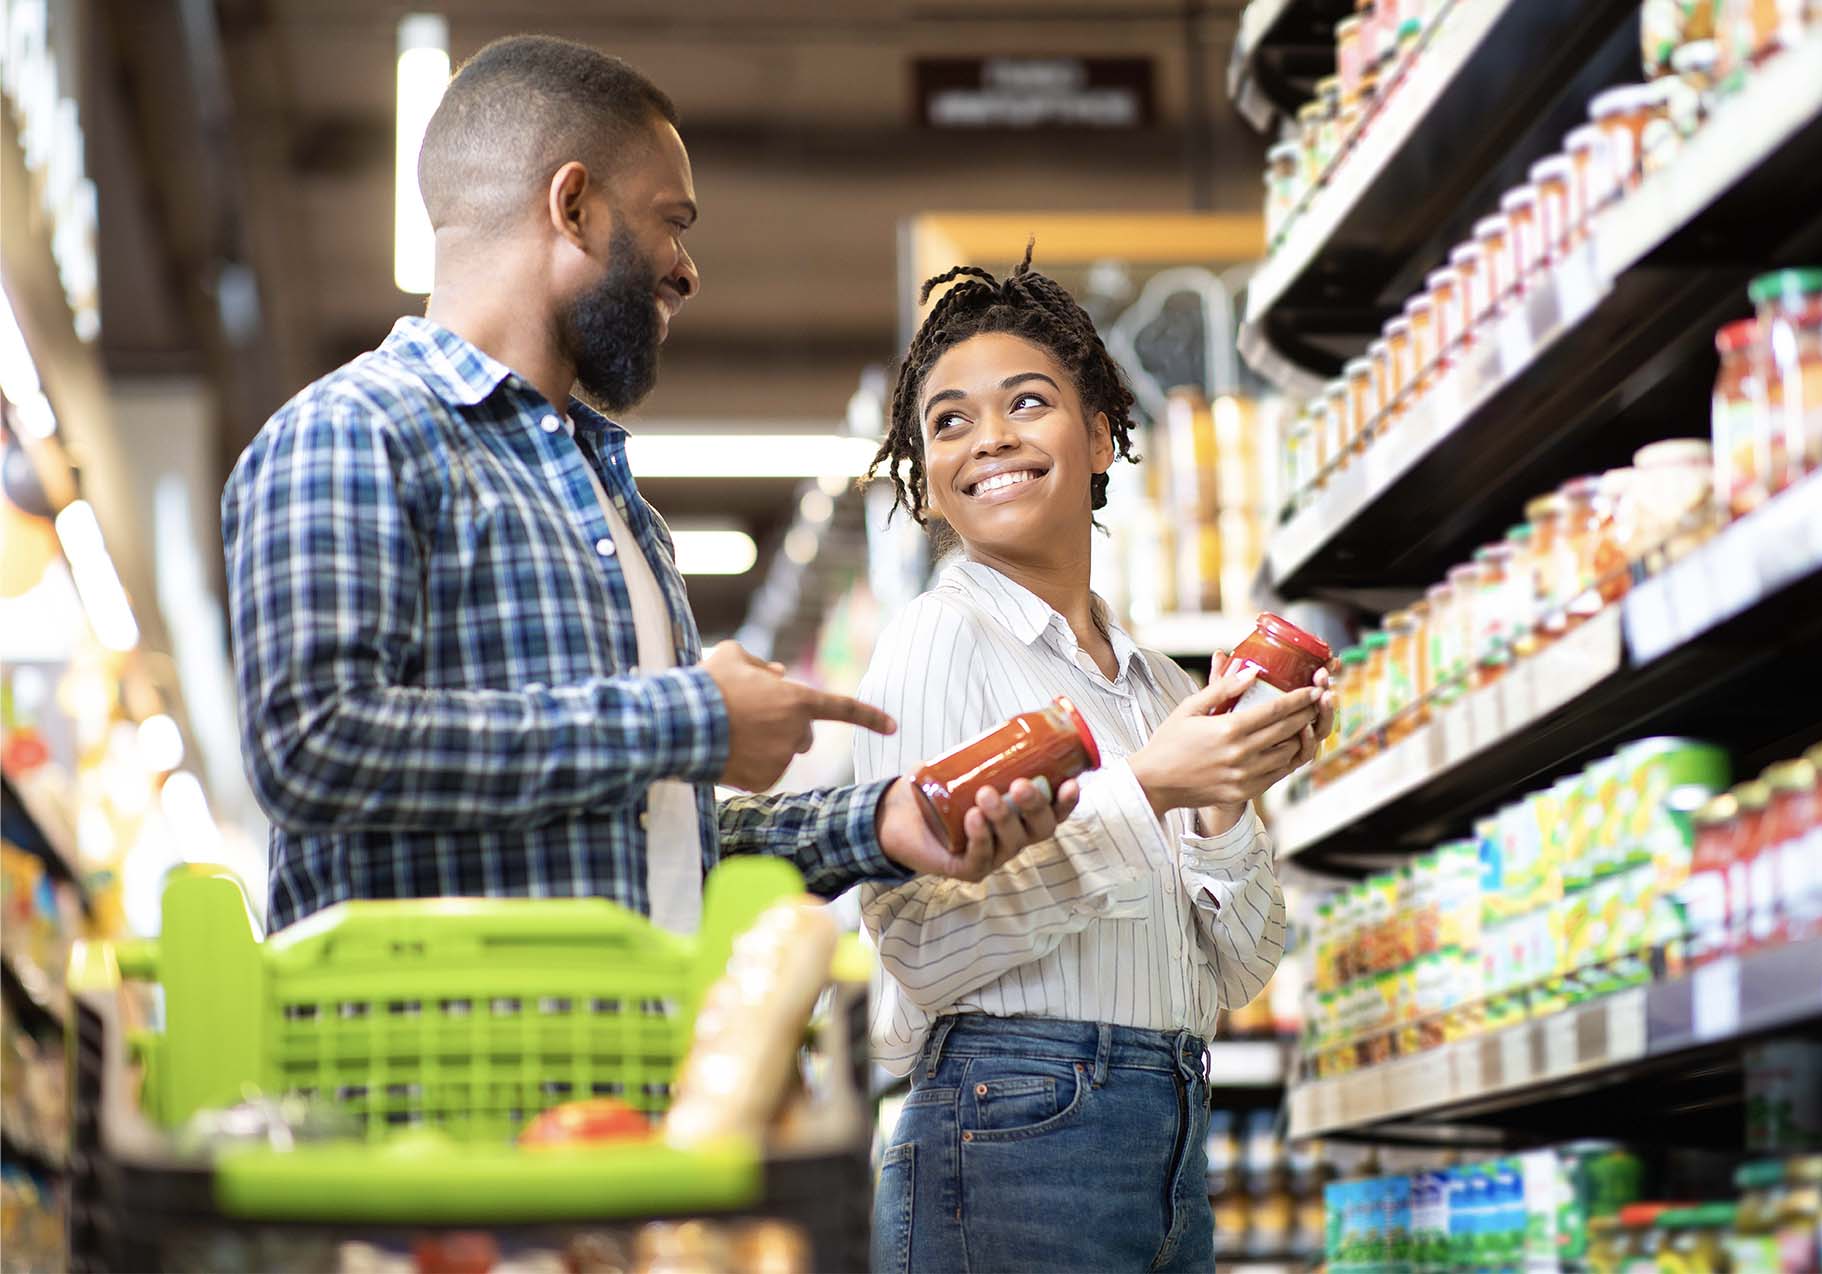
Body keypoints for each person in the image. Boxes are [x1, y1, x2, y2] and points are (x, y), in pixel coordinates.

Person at [220, 36, 1076, 934]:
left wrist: (881, 823)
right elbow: (311, 747)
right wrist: (691, 716)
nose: (687, 268)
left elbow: (664, 839)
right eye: (673, 221)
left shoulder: (615, 506)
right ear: (576, 206)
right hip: (433, 1063)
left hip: (629, 1056)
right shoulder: (354, 432)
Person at [856, 249, 1333, 1273]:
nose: (989, 438)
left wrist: (1224, 796)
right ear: (929, 482)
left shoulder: (1162, 685)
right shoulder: (938, 640)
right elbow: (919, 945)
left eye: (1026, 402)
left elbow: (1242, 970)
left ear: (1102, 435)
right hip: (1009, 1131)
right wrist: (1152, 786)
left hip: (1168, 1130)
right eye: (948, 421)